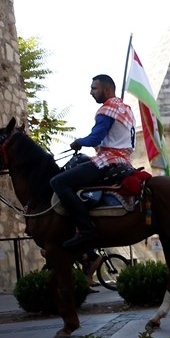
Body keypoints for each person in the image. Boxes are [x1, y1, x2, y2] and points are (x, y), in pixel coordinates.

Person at [50, 75, 136, 249]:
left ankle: (85, 230)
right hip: (125, 161)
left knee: (58, 182)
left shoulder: (107, 109)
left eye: (94, 88)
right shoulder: (126, 109)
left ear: (107, 90)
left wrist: (78, 142)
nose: (91, 92)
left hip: (109, 160)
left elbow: (95, 138)